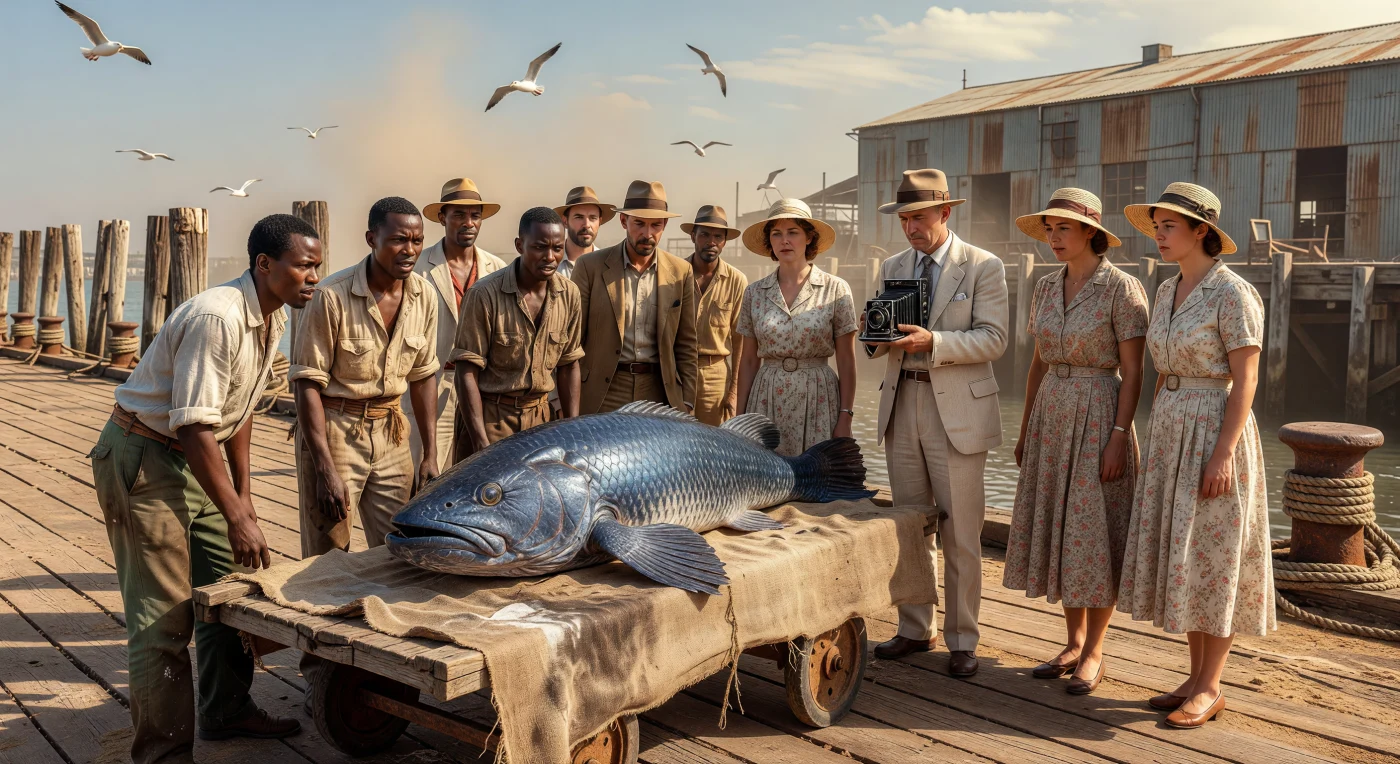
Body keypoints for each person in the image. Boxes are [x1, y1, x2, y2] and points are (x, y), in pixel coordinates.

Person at [91, 214, 320, 761]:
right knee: (163, 621)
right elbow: (194, 424)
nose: (315, 276)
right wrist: (237, 515)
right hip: (146, 456)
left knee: (229, 592)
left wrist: (243, 502)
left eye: (318, 265)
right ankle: (164, 754)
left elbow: (235, 415)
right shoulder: (217, 317)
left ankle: (226, 708)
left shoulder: (272, 316)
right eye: (305, 264)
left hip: (197, 458)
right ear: (265, 265)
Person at [1117, 182, 1273, 728]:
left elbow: (1248, 378)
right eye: (1156, 225)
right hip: (1170, 428)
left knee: (1216, 554)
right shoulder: (1166, 290)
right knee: (1186, 553)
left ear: (1201, 231)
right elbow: (1159, 368)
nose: (1158, 235)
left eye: (1169, 226)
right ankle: (1192, 675)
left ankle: (1211, 686)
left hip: (1213, 427)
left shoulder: (1234, 293)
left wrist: (1223, 452)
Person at [1002, 188, 1148, 695]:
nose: (1053, 237)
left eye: (1063, 228)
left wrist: (1118, 436)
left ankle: (1095, 651)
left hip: (1098, 412)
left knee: (1094, 532)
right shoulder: (1045, 287)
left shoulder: (1122, 289)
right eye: (1049, 228)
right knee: (1065, 529)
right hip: (1051, 414)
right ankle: (1071, 641)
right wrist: (1024, 431)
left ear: (1091, 233)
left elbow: (1133, 373)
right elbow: (1037, 362)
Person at [864, 168, 1008, 678]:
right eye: (904, 219)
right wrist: (874, 337)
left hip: (958, 413)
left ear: (946, 213)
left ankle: (964, 637)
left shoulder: (984, 266)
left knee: (962, 532)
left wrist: (936, 343)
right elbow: (876, 341)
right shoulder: (891, 266)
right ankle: (913, 628)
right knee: (909, 527)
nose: (910, 228)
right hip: (903, 404)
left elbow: (994, 339)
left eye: (919, 218)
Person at [291, 196, 441, 557]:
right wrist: (325, 468)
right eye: (398, 240)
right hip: (336, 430)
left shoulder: (425, 297)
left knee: (401, 544)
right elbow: (307, 384)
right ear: (371, 239)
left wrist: (431, 455)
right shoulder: (330, 296)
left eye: (417, 241)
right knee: (328, 551)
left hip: (392, 431)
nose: (409, 250)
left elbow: (423, 377)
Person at [452, 207, 584, 455]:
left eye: (557, 248)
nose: (550, 256)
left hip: (541, 421)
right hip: (492, 419)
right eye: (539, 247)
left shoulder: (570, 295)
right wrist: (480, 441)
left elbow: (569, 364)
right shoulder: (485, 295)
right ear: (520, 245)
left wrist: (571, 430)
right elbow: (466, 371)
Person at [733, 199, 855, 455]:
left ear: (809, 238)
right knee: (767, 484)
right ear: (770, 241)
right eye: (776, 234)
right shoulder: (754, 293)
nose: (784, 241)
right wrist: (739, 420)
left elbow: (846, 360)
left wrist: (845, 416)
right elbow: (748, 362)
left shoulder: (836, 289)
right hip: (766, 397)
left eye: (792, 233)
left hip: (819, 397)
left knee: (818, 481)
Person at [572, 179, 698, 414]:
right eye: (639, 223)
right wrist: (562, 400)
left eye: (656, 225)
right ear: (624, 221)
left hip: (660, 392)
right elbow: (571, 339)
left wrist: (688, 400)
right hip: (603, 391)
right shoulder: (591, 267)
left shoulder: (681, 272)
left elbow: (687, 343)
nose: (647, 233)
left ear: (664, 225)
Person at [409, 178, 507, 471]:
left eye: (475, 215)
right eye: (459, 215)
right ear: (442, 217)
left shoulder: (497, 269)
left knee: (474, 474)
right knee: (427, 472)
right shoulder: (418, 266)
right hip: (432, 383)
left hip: (482, 386)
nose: (469, 223)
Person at [682, 205, 747, 425]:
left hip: (716, 376)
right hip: (678, 373)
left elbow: (741, 340)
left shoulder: (737, 280)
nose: (711, 241)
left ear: (724, 241)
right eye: (705, 235)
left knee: (716, 447)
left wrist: (734, 391)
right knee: (676, 443)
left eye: (718, 236)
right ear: (693, 236)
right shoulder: (675, 274)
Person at [554, 185, 615, 280]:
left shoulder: (608, 265)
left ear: (599, 222)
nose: (586, 224)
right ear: (565, 222)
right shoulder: (551, 264)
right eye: (579, 217)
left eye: (592, 218)